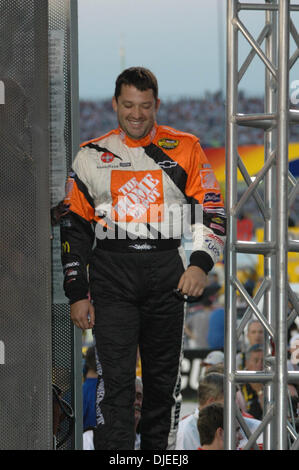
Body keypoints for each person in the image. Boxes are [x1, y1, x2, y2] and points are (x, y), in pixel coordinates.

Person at [60, 66, 226, 450]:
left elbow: (211, 210)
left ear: (157, 106)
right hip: (111, 278)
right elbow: (74, 228)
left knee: (162, 385)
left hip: (166, 274)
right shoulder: (90, 155)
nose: (136, 114)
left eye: (145, 106)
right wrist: (77, 292)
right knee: (114, 386)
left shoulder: (186, 147)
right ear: (115, 104)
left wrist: (200, 263)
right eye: (129, 105)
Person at [176, 372, 263, 450]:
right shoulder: (184, 433)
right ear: (211, 402)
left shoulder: (257, 428)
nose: (236, 406)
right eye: (230, 400)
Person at [240, 344, 264, 420]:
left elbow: (273, 415)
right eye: (256, 361)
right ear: (247, 363)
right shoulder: (237, 384)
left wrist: (259, 391)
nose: (260, 365)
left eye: (264, 361)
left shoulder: (273, 383)